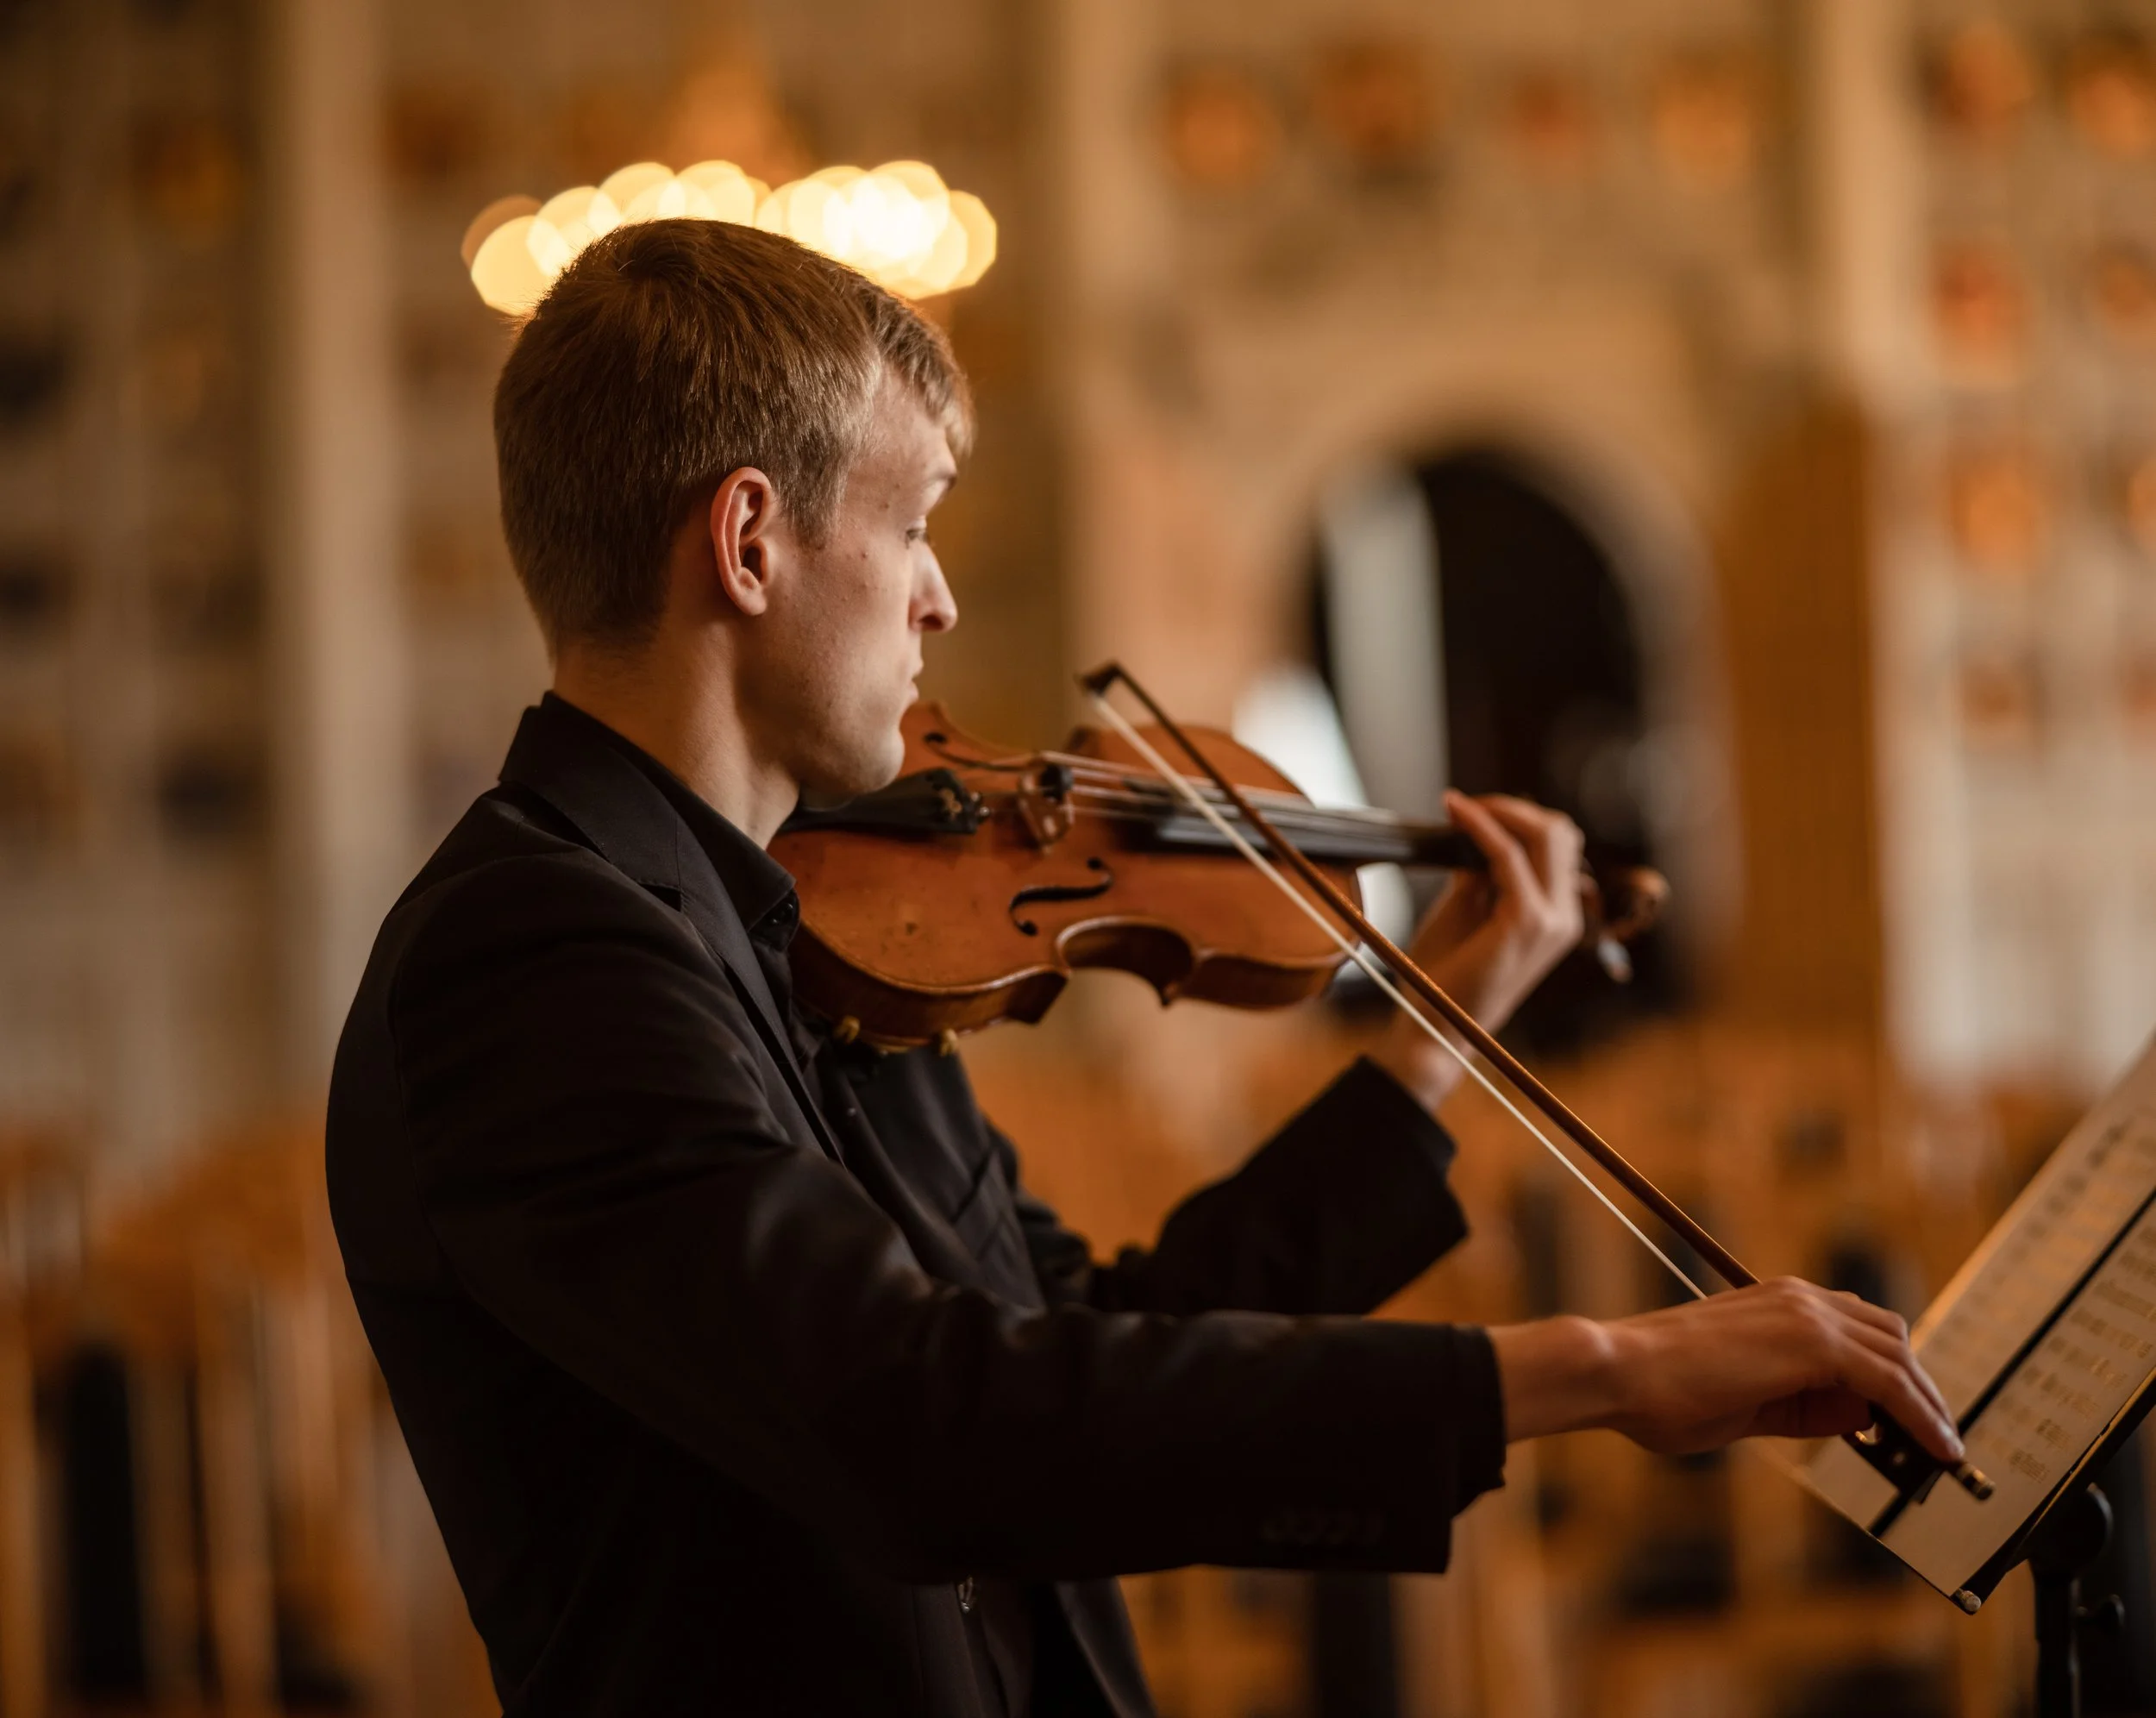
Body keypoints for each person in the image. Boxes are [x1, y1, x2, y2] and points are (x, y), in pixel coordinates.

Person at [325, 218, 1962, 1718]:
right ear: (750, 542)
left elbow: (1094, 1333)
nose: (939, 601)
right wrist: (1599, 1369)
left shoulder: (811, 933)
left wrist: (1434, 1036)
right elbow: (928, 1425)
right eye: (912, 525)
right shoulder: (532, 958)